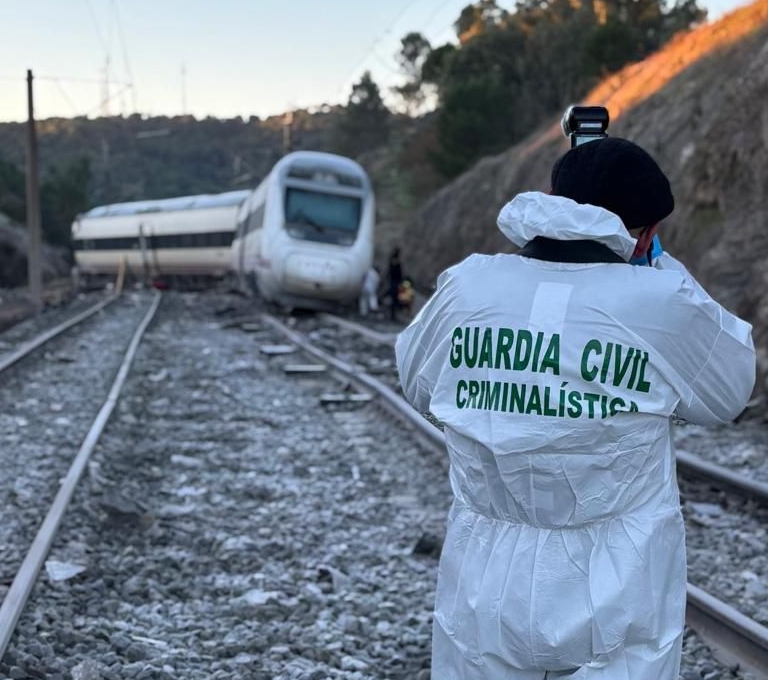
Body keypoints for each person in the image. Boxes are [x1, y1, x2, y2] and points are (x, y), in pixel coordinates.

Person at [395, 137, 755, 680]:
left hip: (485, 572)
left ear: (550, 199)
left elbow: (418, 384)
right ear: (646, 234)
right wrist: (661, 267)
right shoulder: (661, 302)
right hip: (617, 582)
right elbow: (730, 390)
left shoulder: (467, 286)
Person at [388, 247, 403, 321]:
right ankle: (392, 315)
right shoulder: (395, 261)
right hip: (395, 282)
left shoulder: (393, 260)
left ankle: (393, 315)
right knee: (394, 299)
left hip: (394, 282)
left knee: (394, 299)